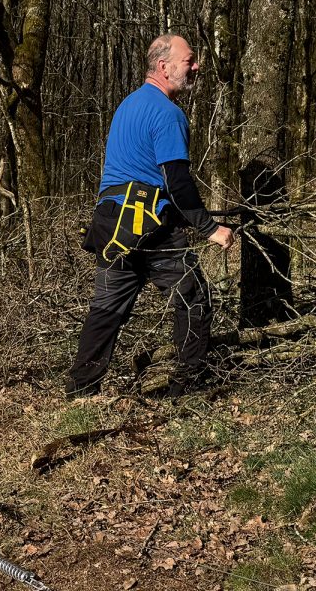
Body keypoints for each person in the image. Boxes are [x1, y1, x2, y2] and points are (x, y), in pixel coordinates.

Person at [67, 34, 235, 399]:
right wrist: (209, 228)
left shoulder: (128, 105)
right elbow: (177, 182)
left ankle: (81, 390)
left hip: (111, 222)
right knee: (194, 298)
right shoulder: (167, 113)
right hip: (147, 225)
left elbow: (135, 174)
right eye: (189, 61)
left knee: (106, 309)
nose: (196, 67)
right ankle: (187, 388)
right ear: (163, 66)